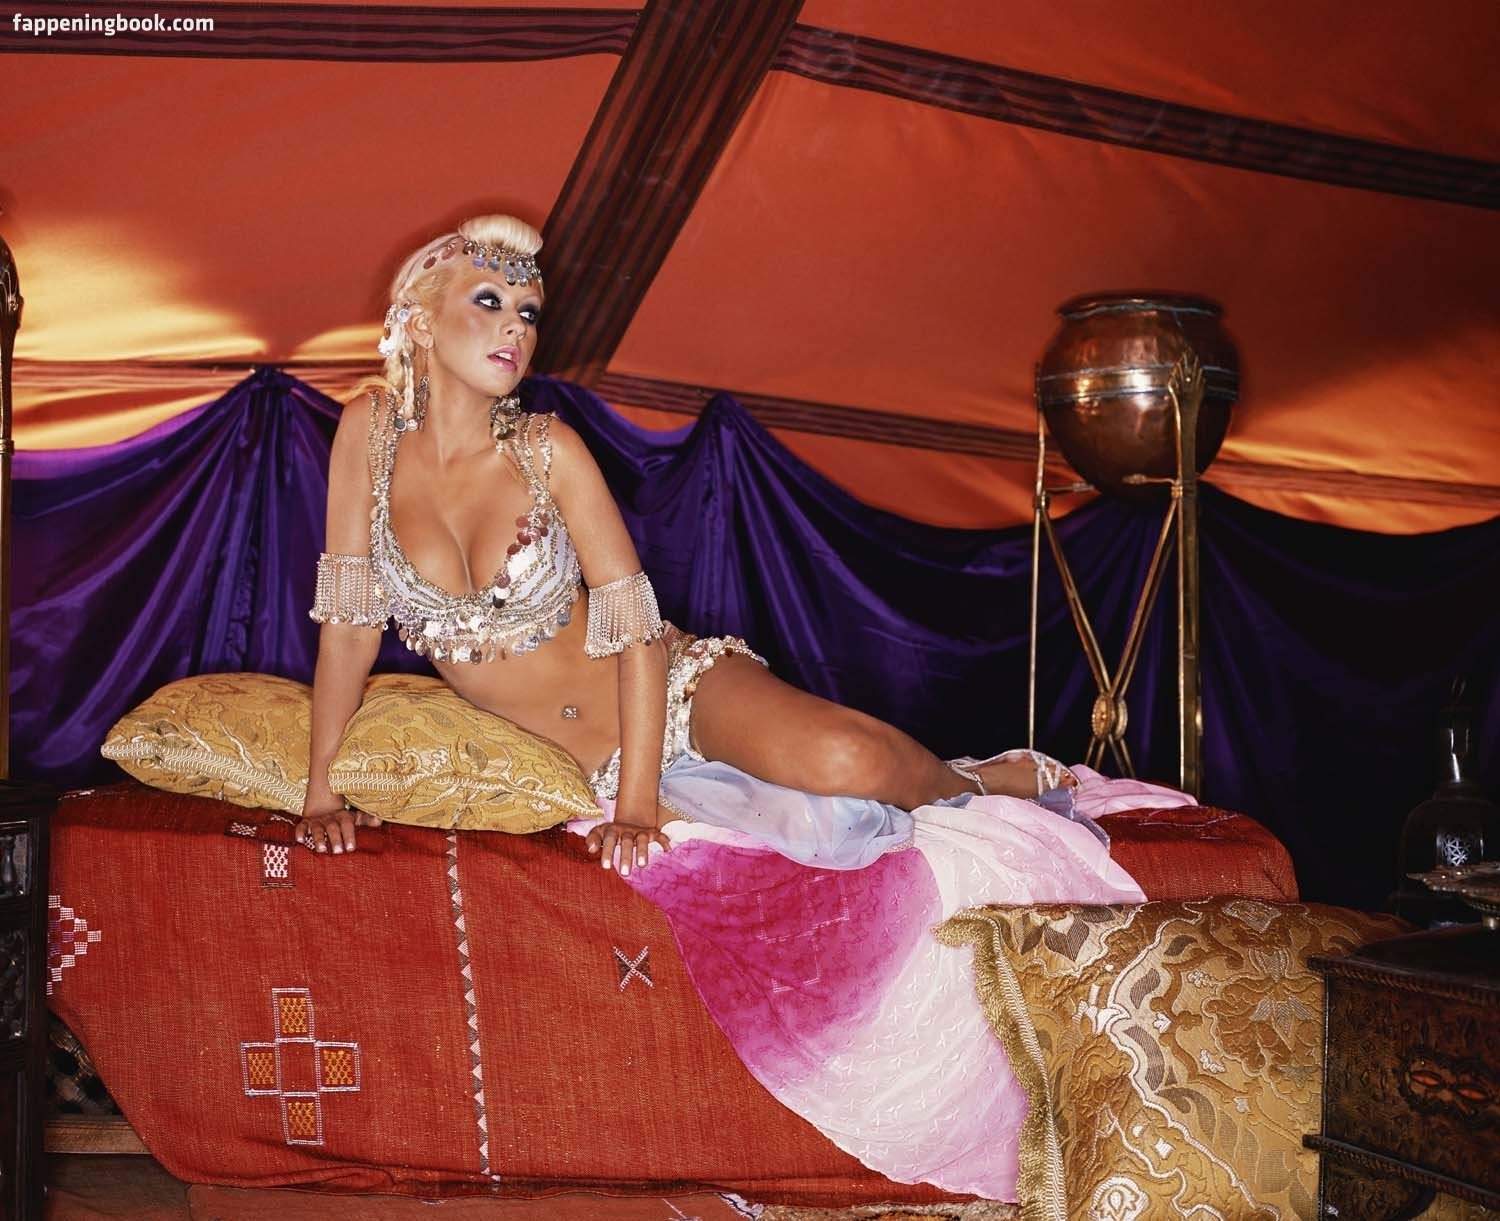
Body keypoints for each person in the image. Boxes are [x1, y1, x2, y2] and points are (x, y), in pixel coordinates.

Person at [296, 214, 1073, 870]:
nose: (516, 328)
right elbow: (350, 629)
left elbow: (637, 633)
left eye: (529, 313)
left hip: (674, 698)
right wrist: (321, 793)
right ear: (421, 321)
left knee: (849, 763)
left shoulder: (548, 451)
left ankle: (971, 783)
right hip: (580, 766)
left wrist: (635, 811)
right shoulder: (368, 434)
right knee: (799, 840)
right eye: (491, 301)